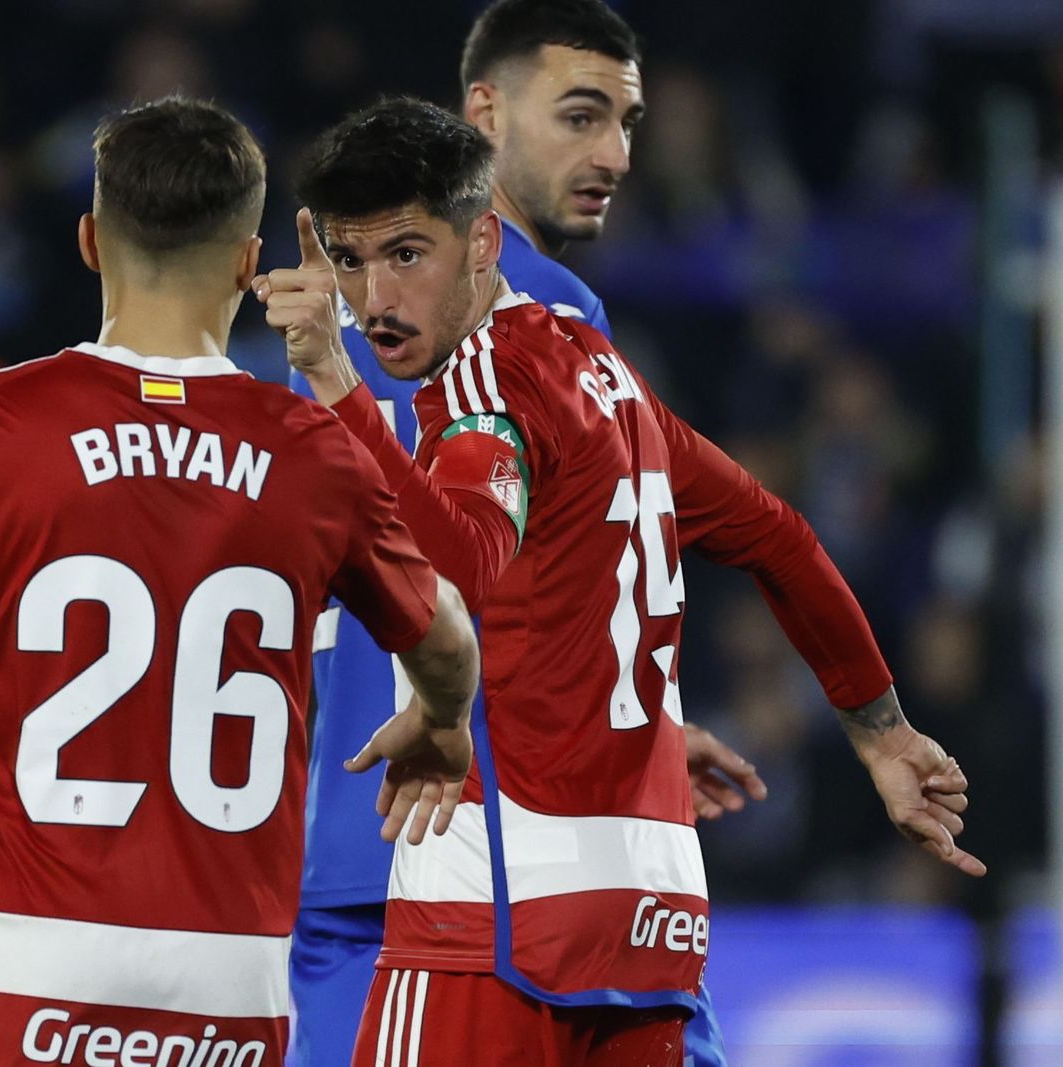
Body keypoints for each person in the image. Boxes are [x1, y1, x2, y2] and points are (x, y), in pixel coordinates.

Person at [0, 96, 481, 1067]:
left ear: (89, 240)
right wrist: (442, 718)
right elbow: (445, 636)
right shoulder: (313, 452)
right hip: (227, 978)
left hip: (21, 967)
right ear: (249, 265)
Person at [261, 97, 983, 1065]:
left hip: (496, 908)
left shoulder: (481, 393)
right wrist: (881, 730)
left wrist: (336, 387)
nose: (372, 301)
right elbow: (781, 536)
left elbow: (464, 561)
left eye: (405, 253)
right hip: (651, 914)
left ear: (482, 242)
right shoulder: (605, 376)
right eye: (347, 262)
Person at [287, 4, 757, 1063]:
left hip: (353, 850)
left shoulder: (342, 313)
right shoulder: (544, 316)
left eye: (625, 124)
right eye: (579, 117)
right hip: (502, 873)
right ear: (484, 114)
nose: (612, 156)